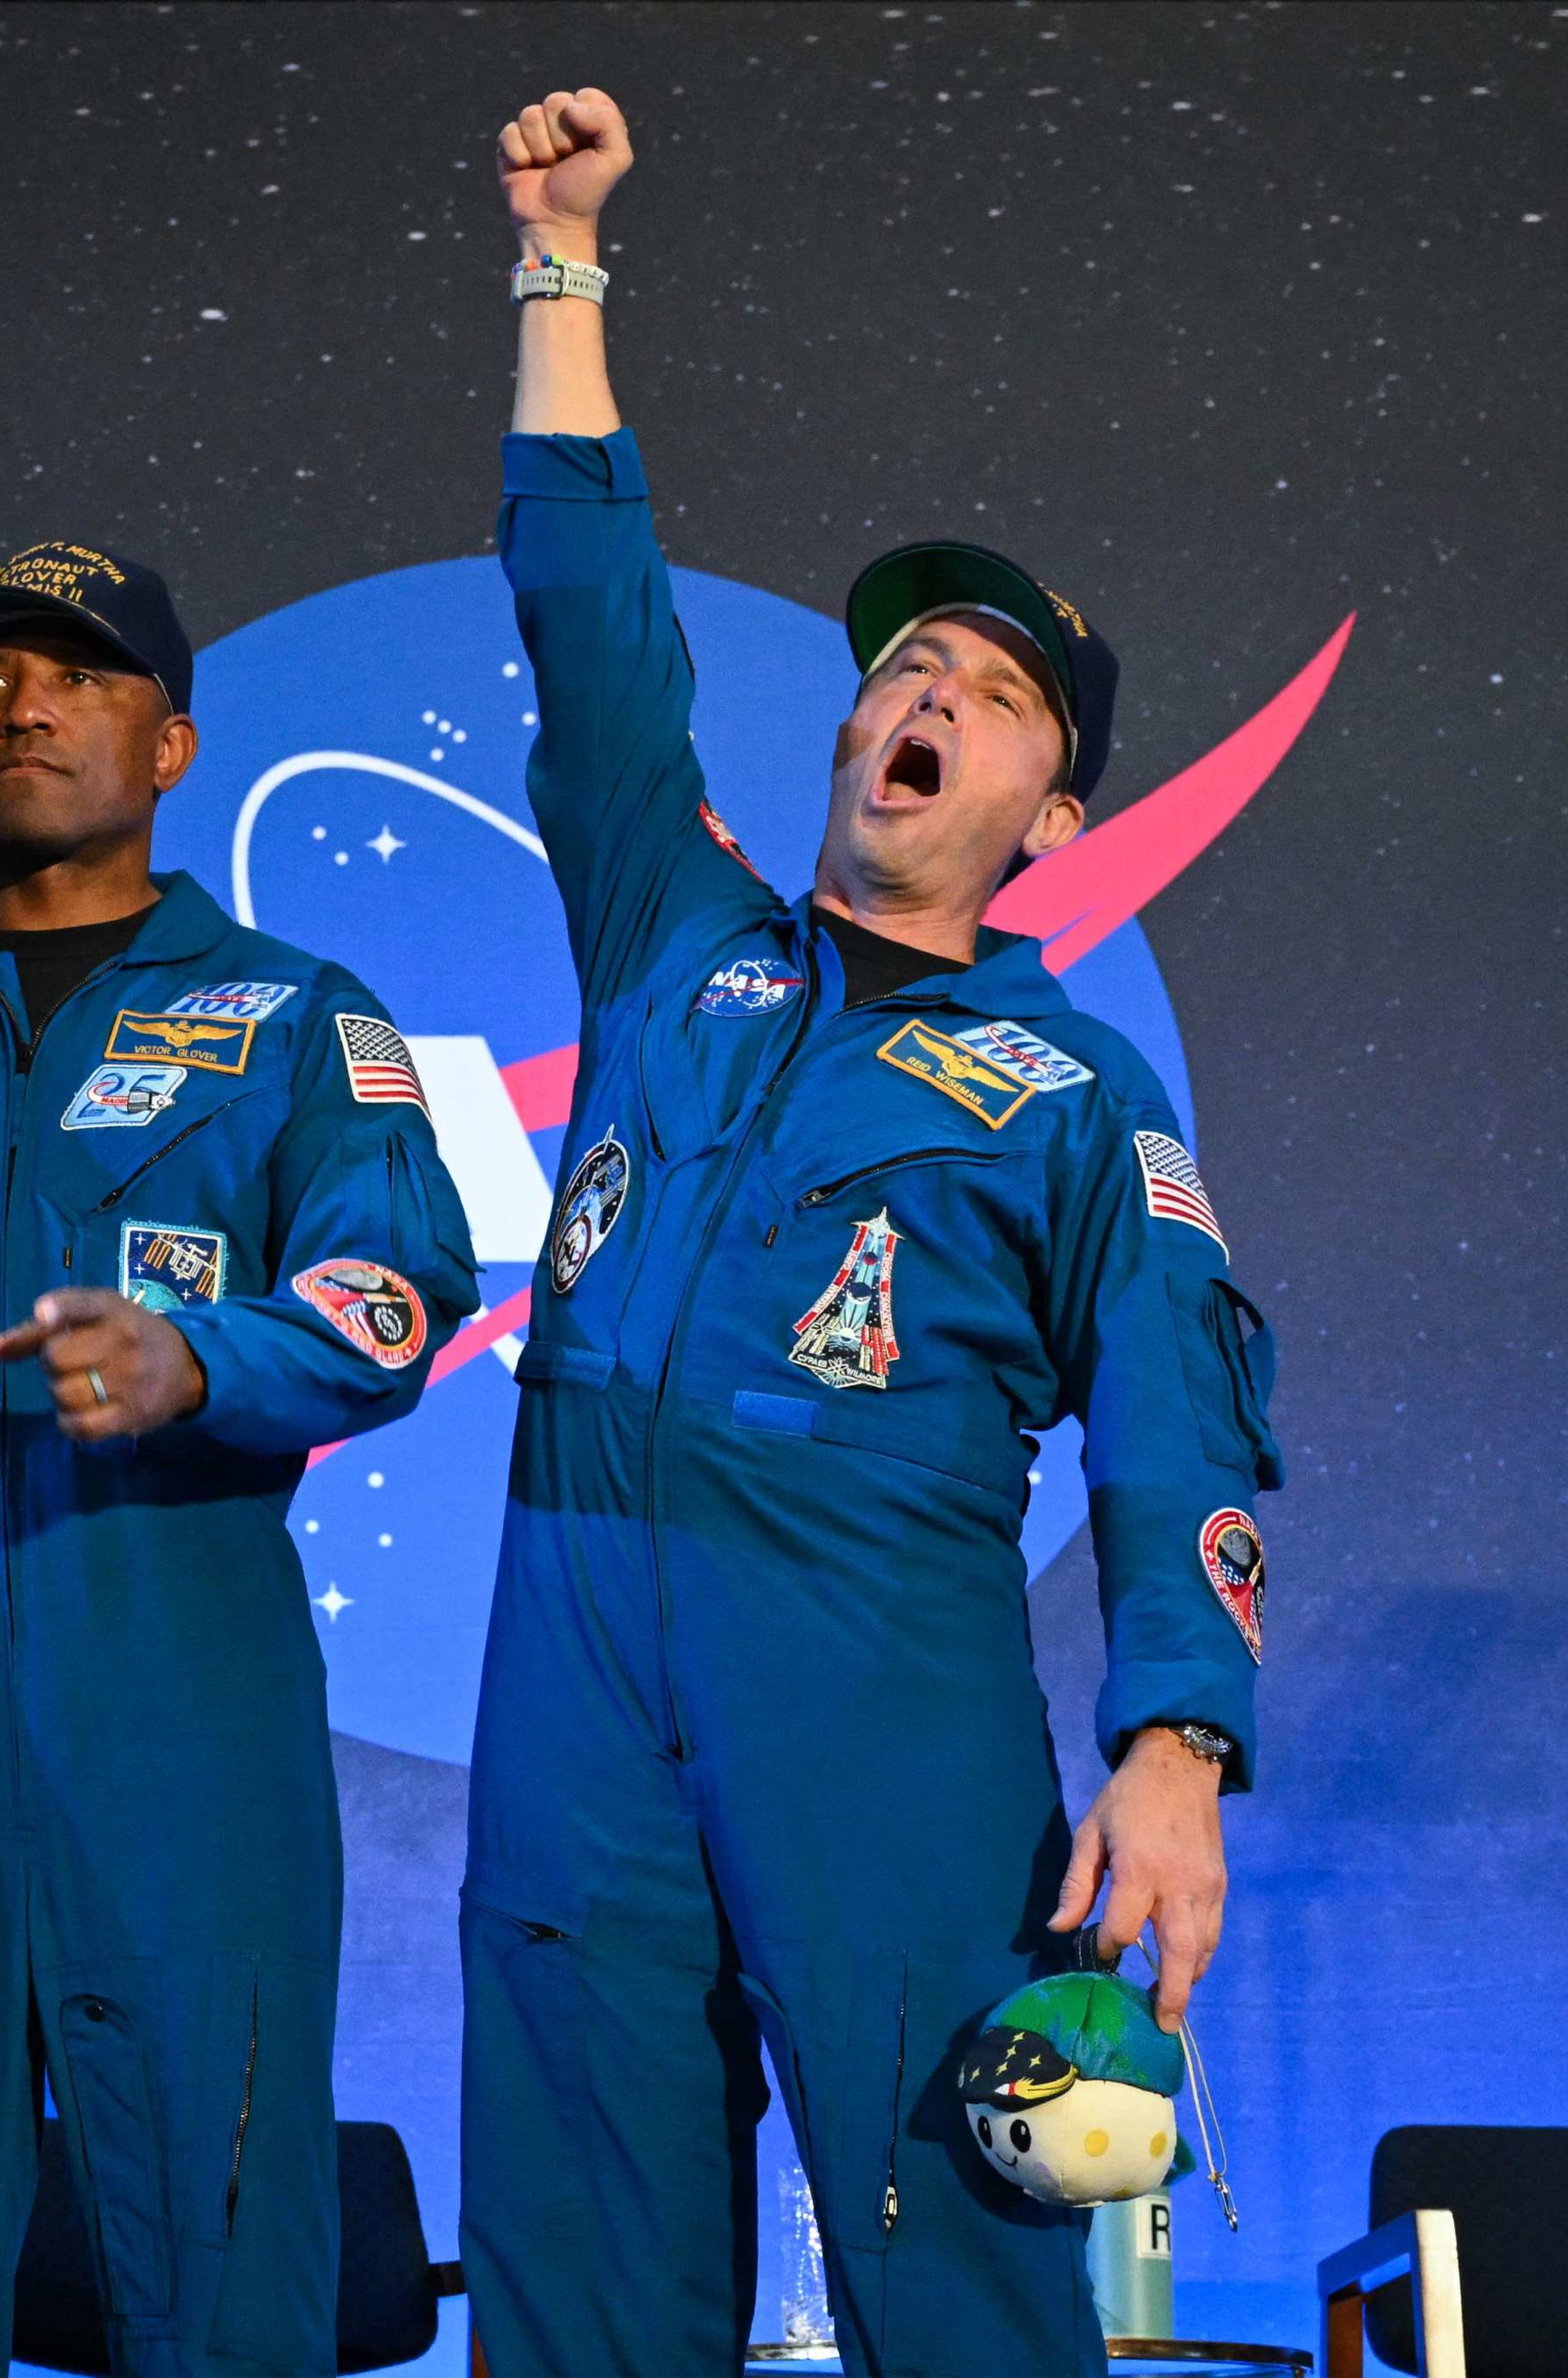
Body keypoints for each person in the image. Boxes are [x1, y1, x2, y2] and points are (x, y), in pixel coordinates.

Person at [457, 91, 1283, 2375]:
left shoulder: (1075, 1098)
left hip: (888, 1705)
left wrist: (1179, 1743)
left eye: (996, 693)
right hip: (579, 1687)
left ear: (1054, 809)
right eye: (912, 659)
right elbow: (593, 619)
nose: (931, 692)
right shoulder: (672, 937)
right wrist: (559, 264)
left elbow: (1181, 1420)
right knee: (578, 2261)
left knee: (967, 2265)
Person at [0, 550, 481, 2377]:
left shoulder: (299, 1017)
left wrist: (195, 1359)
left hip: (179, 1696)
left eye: (77, 674)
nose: (22, 703)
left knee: (216, 2261)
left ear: (171, 745)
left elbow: (393, 1292)